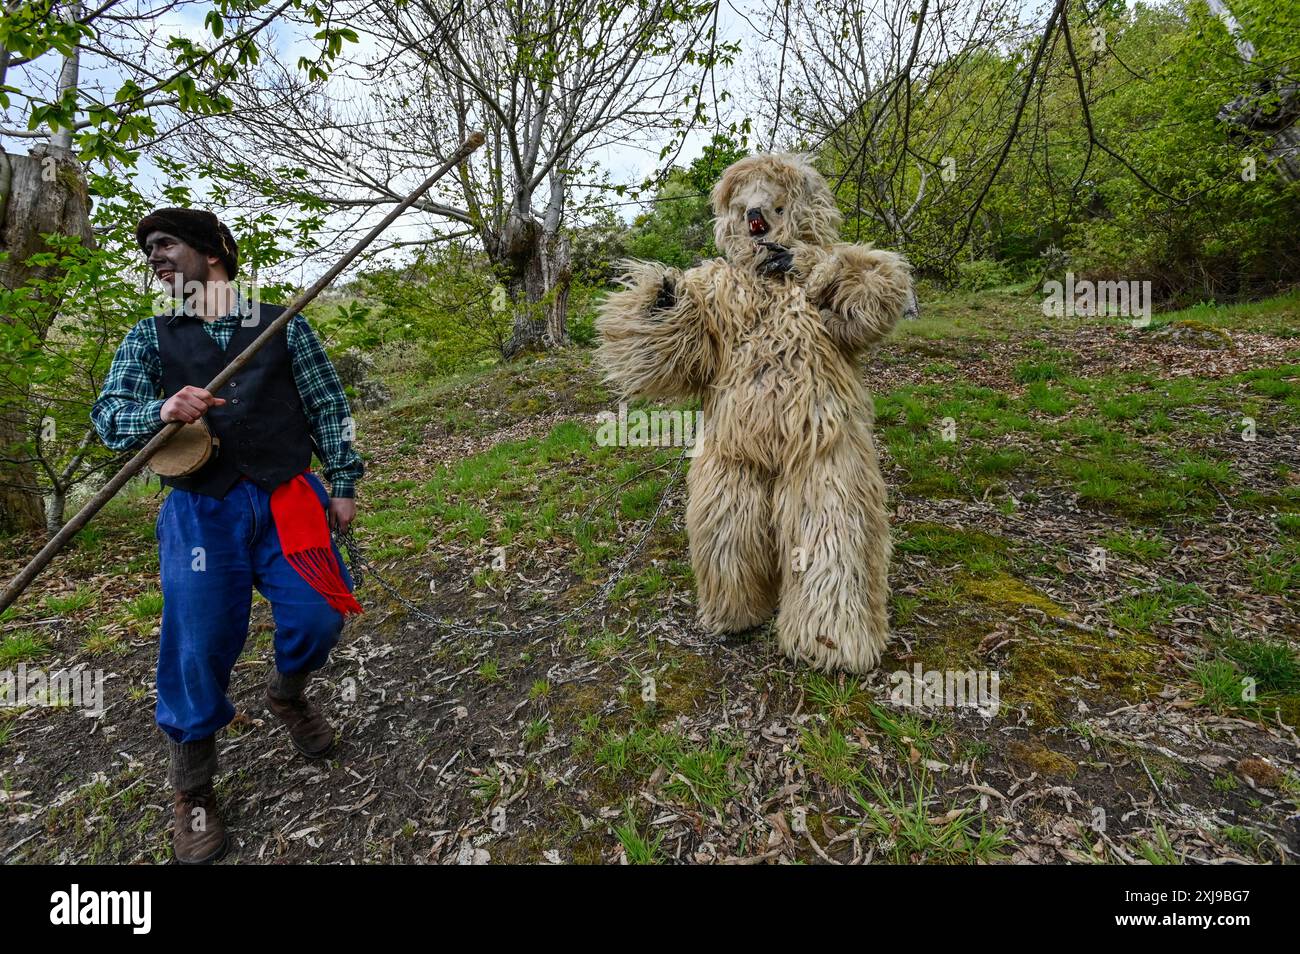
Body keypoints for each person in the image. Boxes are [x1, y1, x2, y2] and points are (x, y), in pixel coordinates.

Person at [91, 208, 365, 864]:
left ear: (213, 250)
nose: (155, 257)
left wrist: (345, 481)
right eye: (148, 250)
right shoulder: (147, 338)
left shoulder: (281, 322)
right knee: (198, 644)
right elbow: (108, 418)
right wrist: (160, 409)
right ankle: (194, 788)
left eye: (166, 244)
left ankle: (287, 693)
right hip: (200, 511)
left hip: (287, 497)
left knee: (320, 615)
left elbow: (329, 404)